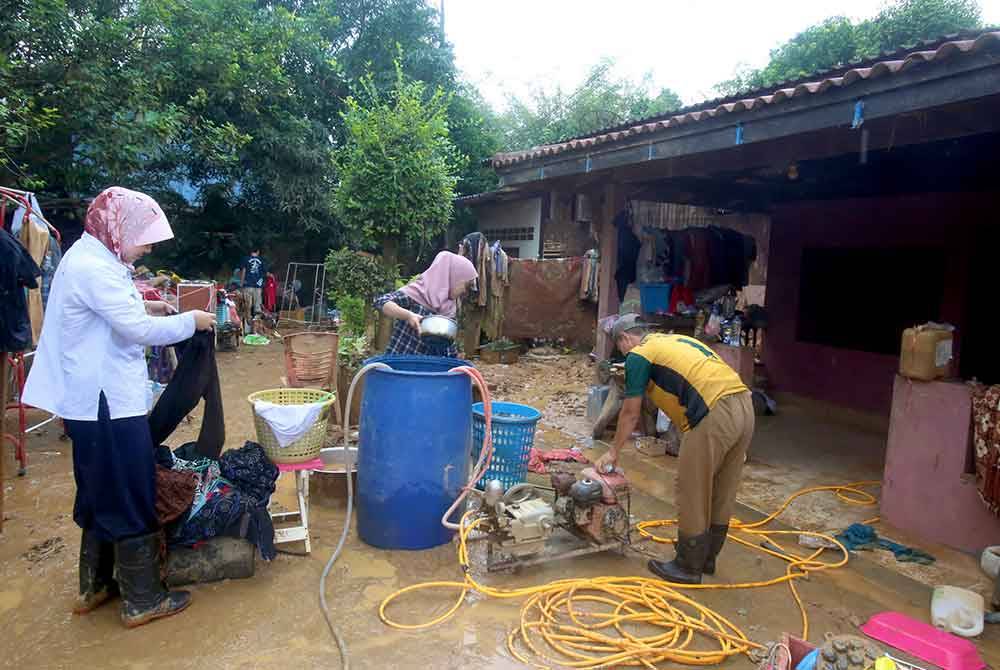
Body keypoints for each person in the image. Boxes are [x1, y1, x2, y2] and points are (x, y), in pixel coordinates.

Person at [23, 187, 217, 627]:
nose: (149, 247)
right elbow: (131, 329)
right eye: (144, 237)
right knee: (130, 490)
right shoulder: (96, 268)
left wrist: (147, 303)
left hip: (91, 402)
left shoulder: (90, 258)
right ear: (119, 229)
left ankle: (96, 586)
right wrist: (192, 321)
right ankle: (143, 599)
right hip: (106, 401)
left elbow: (112, 312)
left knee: (99, 489)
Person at [594, 314, 754, 585]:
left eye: (619, 346)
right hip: (744, 406)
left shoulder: (639, 355)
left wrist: (613, 452)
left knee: (693, 487)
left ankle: (688, 566)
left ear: (625, 339)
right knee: (722, 487)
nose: (621, 352)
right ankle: (707, 558)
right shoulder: (674, 341)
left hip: (713, 412)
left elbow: (630, 413)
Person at [373, 250, 478, 357]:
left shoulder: (449, 308)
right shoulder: (418, 292)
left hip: (428, 367)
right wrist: (408, 316)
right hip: (401, 364)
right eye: (465, 285)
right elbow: (381, 301)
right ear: (452, 278)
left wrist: (455, 361)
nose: (465, 291)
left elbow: (447, 343)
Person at [239, 248, 267, 316]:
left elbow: (243, 271)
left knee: (247, 306)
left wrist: (241, 283)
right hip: (258, 286)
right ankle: (257, 322)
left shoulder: (245, 259)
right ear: (258, 251)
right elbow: (265, 273)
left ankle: (247, 324)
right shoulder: (261, 260)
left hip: (247, 285)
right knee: (257, 307)